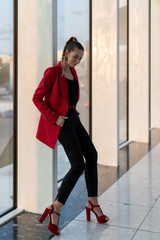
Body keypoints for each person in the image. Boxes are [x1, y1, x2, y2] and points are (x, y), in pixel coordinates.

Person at [32, 37, 109, 236]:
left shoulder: (72, 71)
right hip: (62, 124)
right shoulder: (52, 72)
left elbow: (69, 97)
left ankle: (93, 202)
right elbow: (37, 97)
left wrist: (71, 111)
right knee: (78, 165)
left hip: (74, 119)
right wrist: (54, 117)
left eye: (80, 58)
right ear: (66, 53)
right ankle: (55, 208)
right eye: (75, 57)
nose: (77, 61)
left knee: (92, 155)